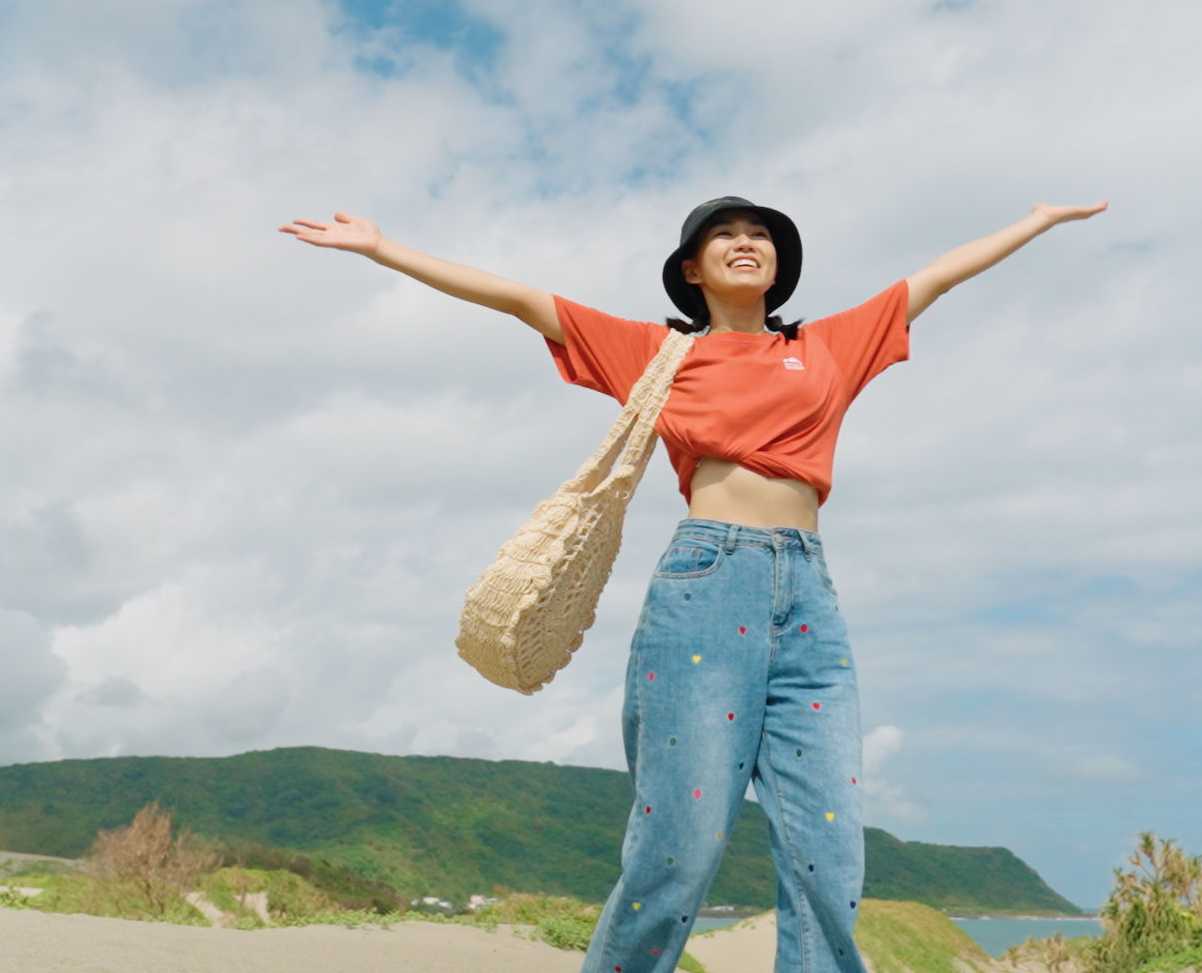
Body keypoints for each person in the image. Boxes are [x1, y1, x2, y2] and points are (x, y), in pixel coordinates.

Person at [280, 194, 1106, 973]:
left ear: (780, 268)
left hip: (810, 597)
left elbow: (940, 276)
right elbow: (523, 301)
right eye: (725, 235)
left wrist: (1033, 221)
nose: (747, 242)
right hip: (708, 585)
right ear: (691, 269)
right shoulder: (659, 351)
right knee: (680, 841)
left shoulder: (825, 347)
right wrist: (384, 250)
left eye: (762, 234)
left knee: (829, 847)